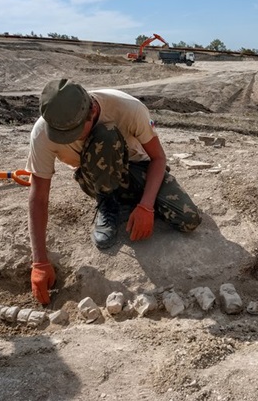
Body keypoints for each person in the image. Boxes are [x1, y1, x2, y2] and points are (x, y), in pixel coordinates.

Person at [26, 79, 202, 304]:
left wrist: (146, 206)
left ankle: (133, 201)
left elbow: (159, 158)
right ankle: (107, 201)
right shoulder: (43, 131)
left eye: (75, 132)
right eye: (63, 135)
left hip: (138, 168)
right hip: (94, 176)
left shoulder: (129, 108)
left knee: (188, 219)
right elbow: (38, 196)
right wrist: (39, 262)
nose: (69, 139)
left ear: (92, 111)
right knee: (104, 142)